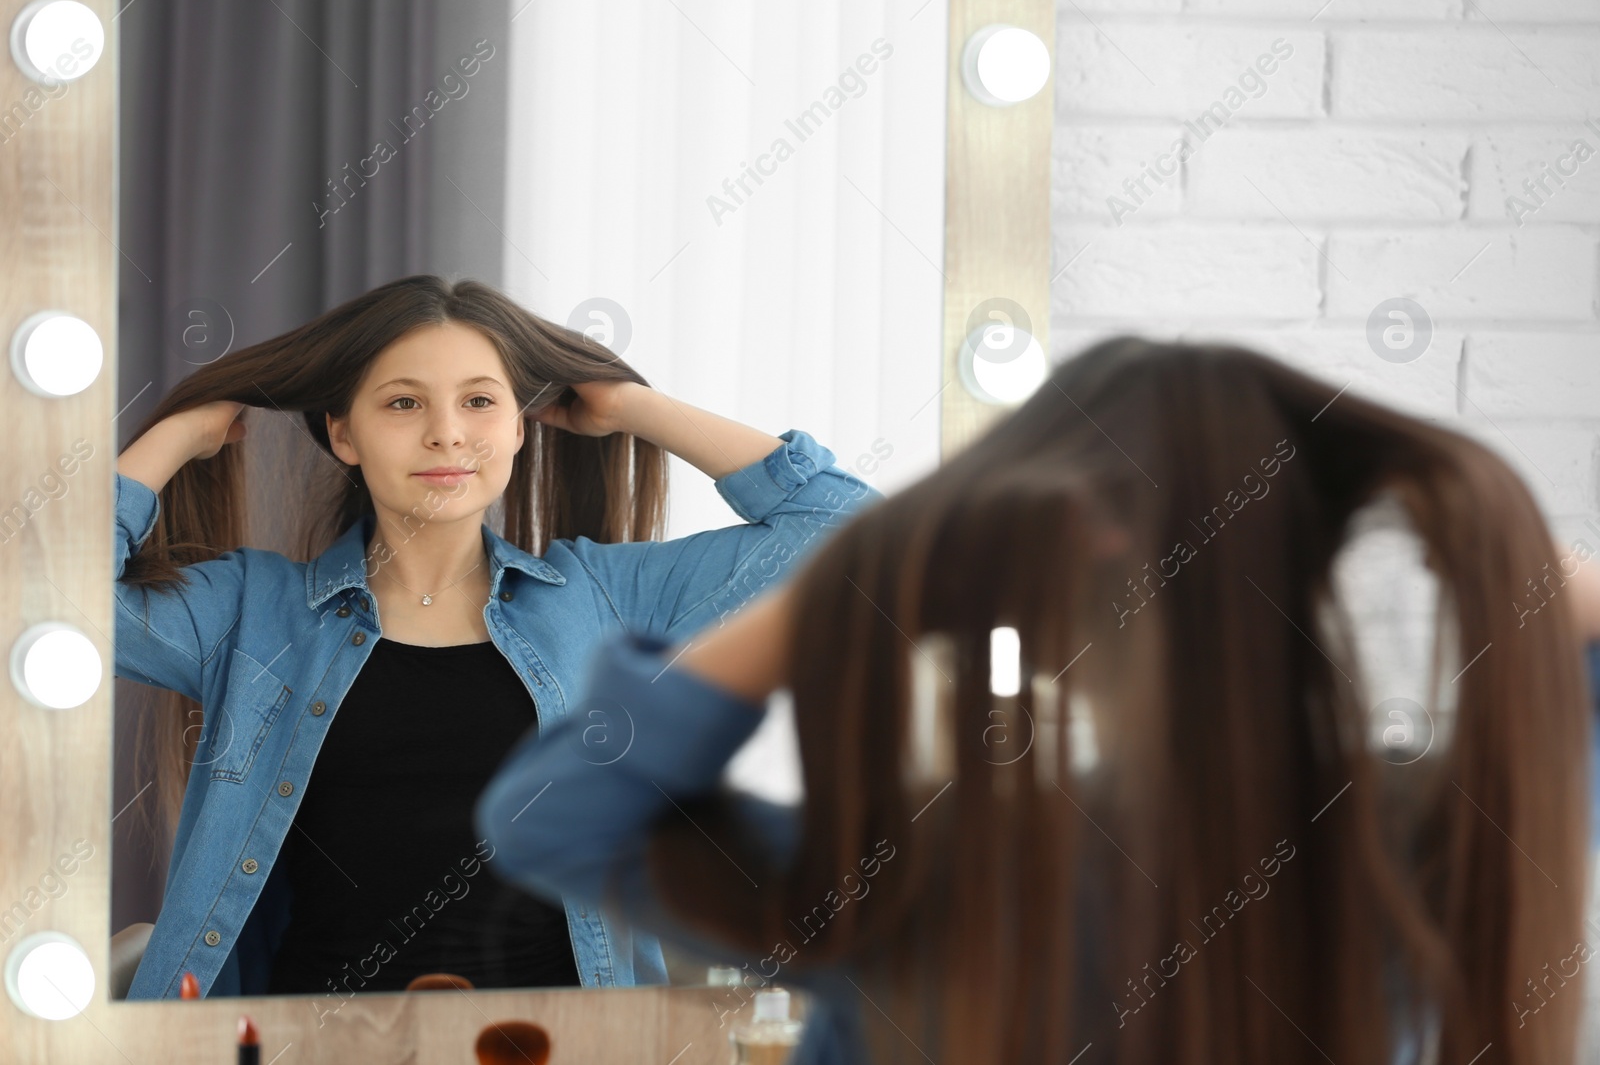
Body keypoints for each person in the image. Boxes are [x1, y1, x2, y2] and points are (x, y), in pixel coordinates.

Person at [477, 337, 1597, 1065]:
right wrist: (1488, 539)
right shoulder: (1400, 861)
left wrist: (845, 583)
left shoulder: (925, 876)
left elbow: (560, 811)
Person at [112, 274, 884, 1001]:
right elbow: (35, 610)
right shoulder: (250, 612)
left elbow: (848, 531)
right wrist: (182, 430)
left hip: (565, 1044)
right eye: (404, 404)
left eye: (479, 401)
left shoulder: (604, 598)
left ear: (521, 425)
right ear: (344, 434)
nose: (448, 435)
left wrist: (630, 406)